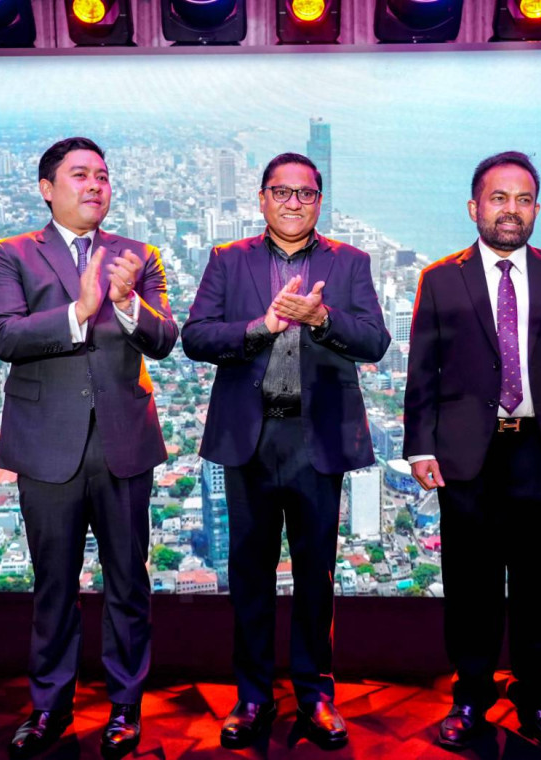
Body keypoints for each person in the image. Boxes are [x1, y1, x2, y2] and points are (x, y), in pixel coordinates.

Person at [403, 151, 541, 755]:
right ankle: (470, 698)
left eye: (523, 200)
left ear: (537, 210)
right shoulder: (441, 278)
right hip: (467, 459)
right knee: (471, 589)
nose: (510, 210)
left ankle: (537, 701)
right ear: (474, 207)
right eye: (499, 198)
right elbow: (422, 373)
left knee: (539, 589)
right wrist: (419, 448)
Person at [182, 153, 390, 750]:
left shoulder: (350, 262)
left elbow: (375, 341)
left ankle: (315, 695)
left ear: (319, 200)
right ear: (262, 198)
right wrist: (261, 328)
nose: (293, 202)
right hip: (249, 438)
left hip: (316, 438)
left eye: (306, 193)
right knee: (249, 574)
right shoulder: (228, 259)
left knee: (314, 576)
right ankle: (251, 697)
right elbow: (196, 336)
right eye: (282, 192)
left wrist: (322, 318)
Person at [0, 136, 178, 760]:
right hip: (46, 445)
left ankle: (125, 707)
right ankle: (49, 708)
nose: (95, 185)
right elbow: (5, 337)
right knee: (54, 585)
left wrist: (126, 304)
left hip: (124, 442)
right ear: (47, 189)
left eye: (103, 175)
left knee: (128, 584)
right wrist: (80, 310)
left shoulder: (138, 256)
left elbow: (165, 339)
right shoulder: (11, 253)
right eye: (80, 175)